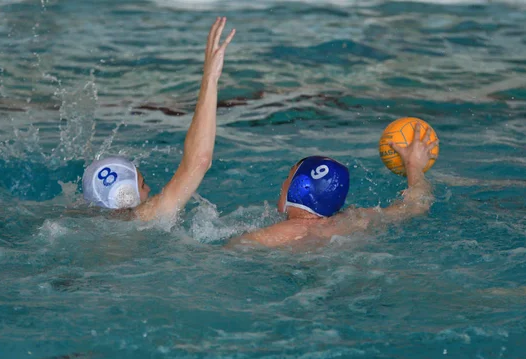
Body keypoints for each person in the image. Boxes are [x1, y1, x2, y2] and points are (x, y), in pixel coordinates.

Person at [82, 17, 235, 222]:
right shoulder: (141, 217)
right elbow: (199, 161)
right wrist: (210, 77)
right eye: (142, 185)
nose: (150, 189)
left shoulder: (83, 219)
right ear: (125, 195)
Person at [228, 122, 438, 248]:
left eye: (288, 179)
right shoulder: (356, 219)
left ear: (300, 187)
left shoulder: (281, 233)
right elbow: (417, 205)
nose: (282, 185)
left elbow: (231, 250)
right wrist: (413, 165)